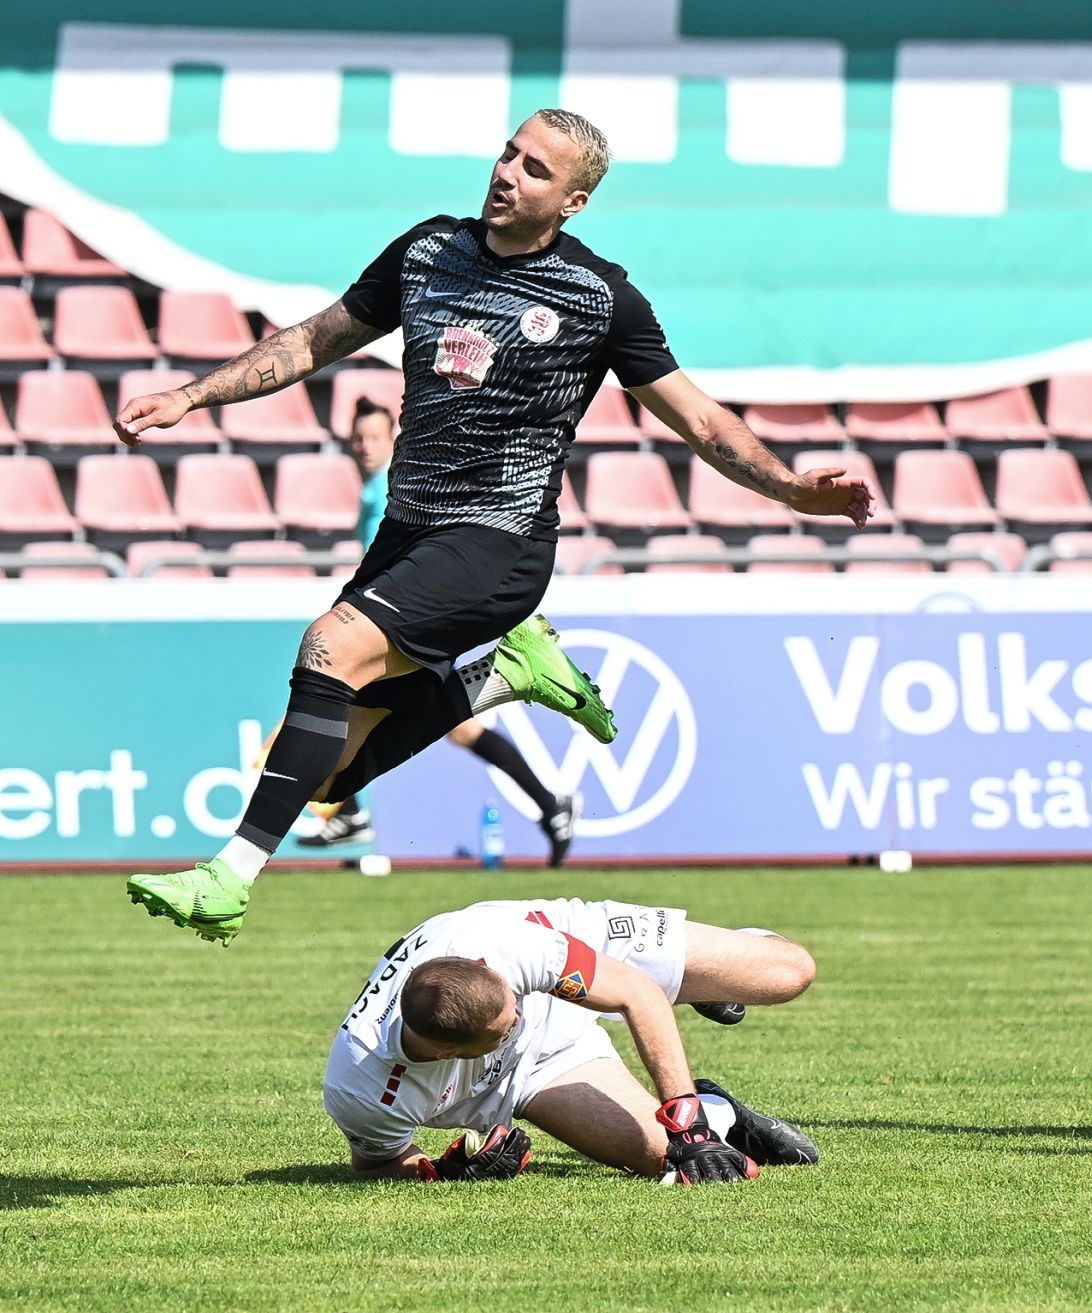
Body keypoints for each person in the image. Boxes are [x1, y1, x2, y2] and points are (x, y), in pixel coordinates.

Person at [117, 108, 871, 943]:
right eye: (510, 153)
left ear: (574, 201)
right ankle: (502, 675)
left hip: (498, 543)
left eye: (535, 168)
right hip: (409, 533)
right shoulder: (429, 251)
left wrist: (789, 487)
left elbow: (700, 420)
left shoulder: (599, 297)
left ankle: (227, 878)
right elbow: (314, 340)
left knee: (328, 645)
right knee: (325, 776)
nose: (507, 172)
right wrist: (191, 395)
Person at [326, 896, 818, 1185]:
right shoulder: (362, 1088)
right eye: (506, 1025)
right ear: (448, 1052)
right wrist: (445, 1170)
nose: (517, 1017)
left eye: (513, 1004)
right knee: (665, 1161)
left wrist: (689, 1126)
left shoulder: (500, 948)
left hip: (564, 945)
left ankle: (712, 983)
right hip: (531, 1071)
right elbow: (378, 1163)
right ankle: (721, 1109)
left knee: (789, 973)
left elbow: (636, 994)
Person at [298, 399, 580, 865]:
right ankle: (552, 807)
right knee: (459, 728)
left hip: (413, 617)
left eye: (374, 437)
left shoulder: (395, 485)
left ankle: (349, 813)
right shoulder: (375, 488)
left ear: (394, 438)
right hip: (409, 616)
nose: (365, 446)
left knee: (336, 695)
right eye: (358, 438)